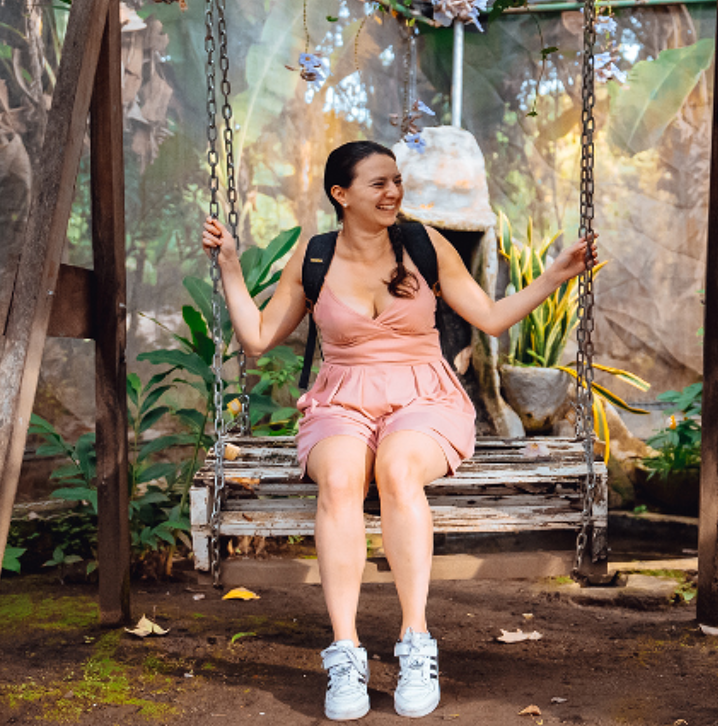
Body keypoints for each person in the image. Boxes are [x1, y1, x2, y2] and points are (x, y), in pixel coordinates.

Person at [201, 140, 596, 721]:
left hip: (425, 396)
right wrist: (231, 267)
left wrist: (556, 275)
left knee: (397, 467)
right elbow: (259, 338)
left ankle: (415, 643)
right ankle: (345, 652)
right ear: (342, 195)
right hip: (342, 398)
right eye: (378, 184)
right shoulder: (313, 258)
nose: (394, 193)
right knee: (338, 479)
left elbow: (487, 316)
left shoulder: (422, 245)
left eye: (397, 181)